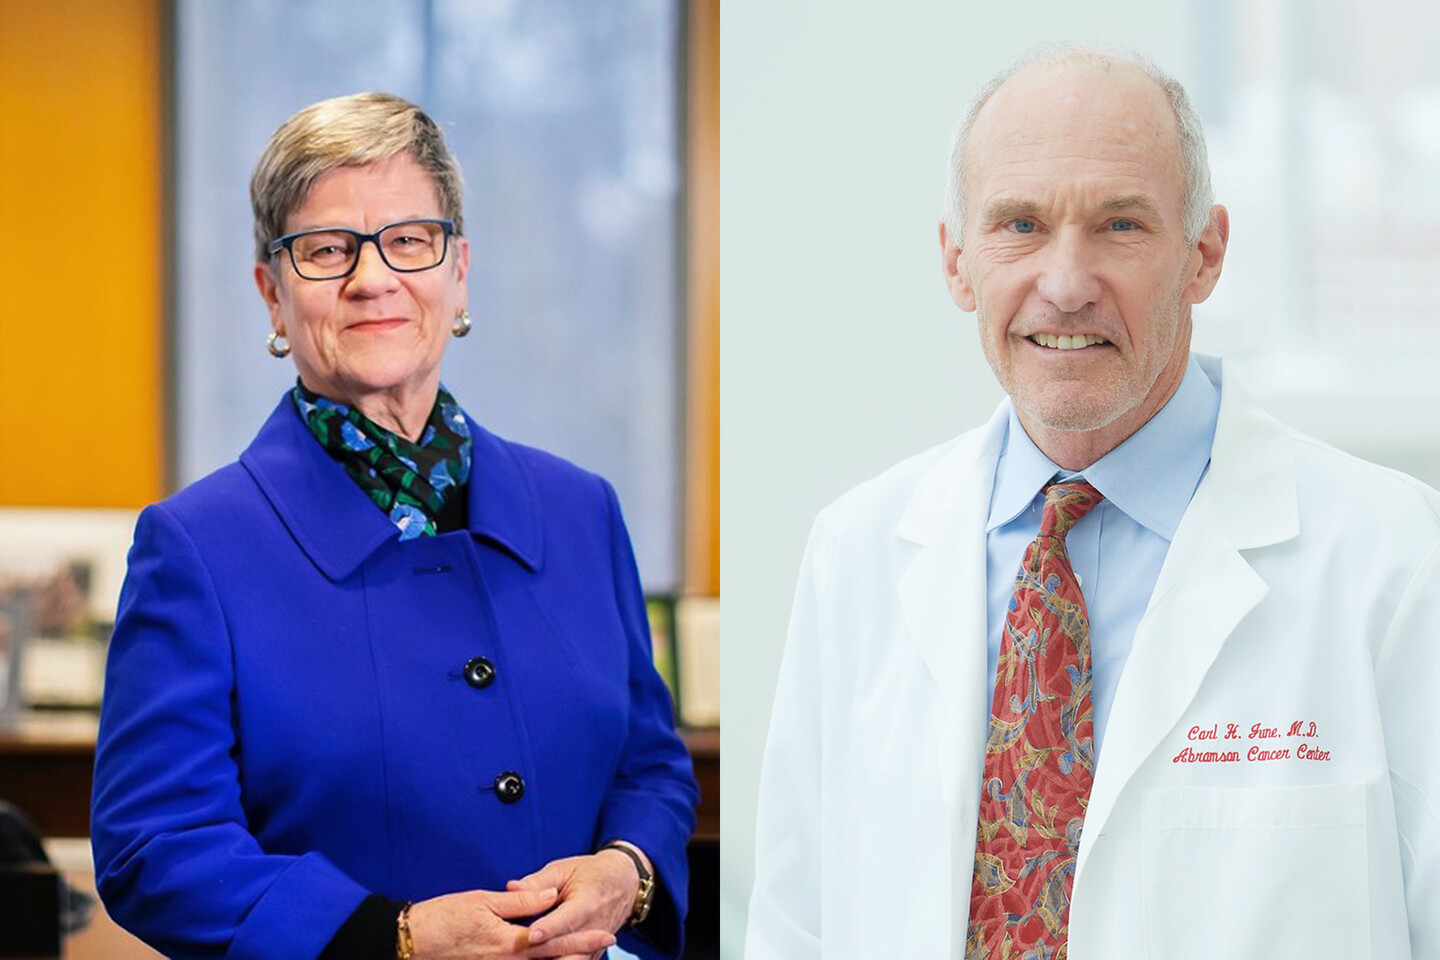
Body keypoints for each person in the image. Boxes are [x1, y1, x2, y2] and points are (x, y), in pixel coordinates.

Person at [746, 47, 1440, 959]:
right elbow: (795, 927)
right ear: (957, 263)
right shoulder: (857, 551)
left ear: (1206, 254)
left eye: (1120, 225)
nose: (1066, 282)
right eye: (1020, 224)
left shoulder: (1397, 558)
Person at [92, 92, 697, 960]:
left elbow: (650, 765)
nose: (372, 279)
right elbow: (156, 847)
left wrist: (626, 869)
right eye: (325, 250)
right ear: (271, 293)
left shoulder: (581, 508)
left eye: (408, 241)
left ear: (458, 272)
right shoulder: (196, 547)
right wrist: (395, 937)